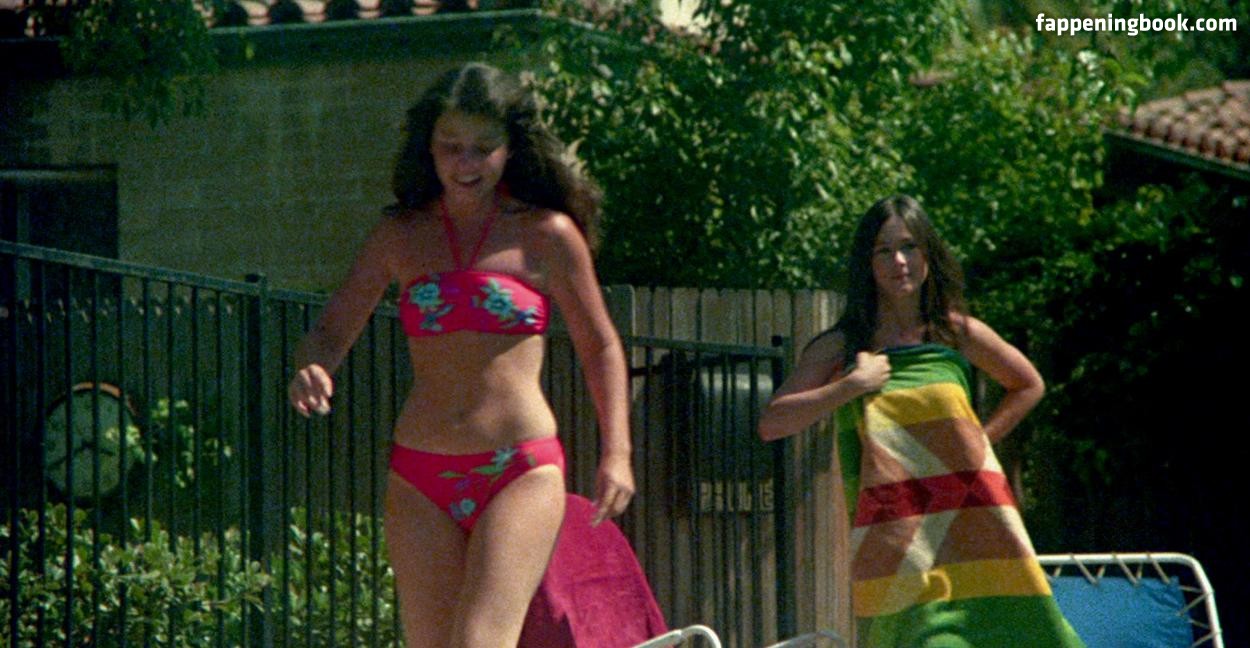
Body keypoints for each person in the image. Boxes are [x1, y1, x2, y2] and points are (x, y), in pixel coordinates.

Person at [287, 62, 635, 648]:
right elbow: (327, 333)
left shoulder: (547, 234)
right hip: (419, 475)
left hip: (518, 469)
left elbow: (600, 345)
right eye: (451, 145)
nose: (465, 162)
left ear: (510, 149)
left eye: (482, 147)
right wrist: (311, 368)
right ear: (429, 147)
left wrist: (617, 452)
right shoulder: (400, 235)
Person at [758, 195, 1083, 646]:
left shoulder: (956, 332)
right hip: (899, 545)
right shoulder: (843, 345)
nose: (899, 261)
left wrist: (980, 444)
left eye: (909, 246)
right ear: (867, 263)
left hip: (977, 530)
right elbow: (773, 423)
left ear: (928, 254)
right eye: (884, 250)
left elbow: (1028, 384)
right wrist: (851, 386)